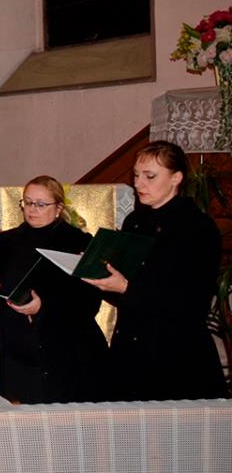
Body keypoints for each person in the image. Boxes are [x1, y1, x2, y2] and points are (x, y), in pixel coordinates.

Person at [85, 141, 227, 401]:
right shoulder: (135, 221)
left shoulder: (197, 228)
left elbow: (189, 303)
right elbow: (124, 289)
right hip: (130, 350)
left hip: (173, 355)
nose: (139, 183)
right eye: (136, 175)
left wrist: (126, 288)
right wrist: (98, 273)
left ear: (176, 178)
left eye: (150, 176)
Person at [0, 176, 108, 403]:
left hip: (62, 350)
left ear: (58, 208)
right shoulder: (6, 241)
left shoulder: (78, 242)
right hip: (16, 350)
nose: (32, 209)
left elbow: (88, 301)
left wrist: (43, 307)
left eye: (40, 204)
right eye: (27, 202)